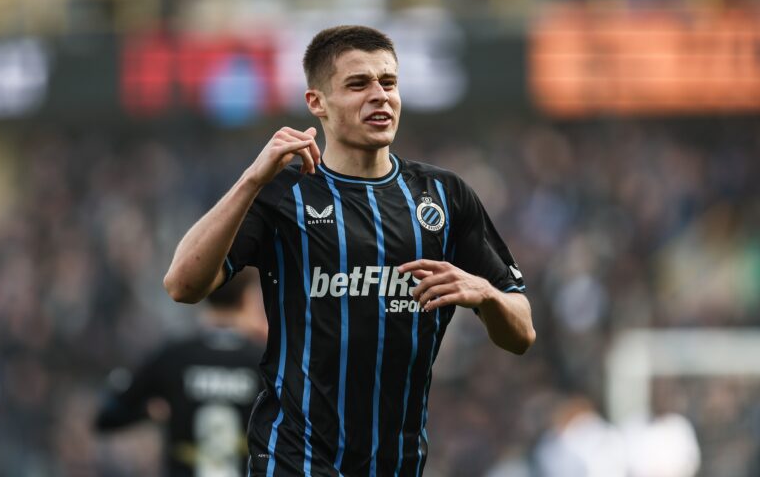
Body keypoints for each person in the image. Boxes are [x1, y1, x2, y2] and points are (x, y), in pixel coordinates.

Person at [164, 25, 536, 477]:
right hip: (294, 457)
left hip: (397, 463)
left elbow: (521, 333)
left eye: (389, 83)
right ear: (317, 102)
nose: (380, 95)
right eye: (358, 84)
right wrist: (252, 179)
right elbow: (182, 284)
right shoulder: (284, 194)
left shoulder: (444, 195)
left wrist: (488, 294)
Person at [95, 269, 267, 477]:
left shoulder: (173, 357)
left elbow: (107, 416)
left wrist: (149, 412)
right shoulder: (264, 362)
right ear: (247, 297)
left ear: (201, 290)